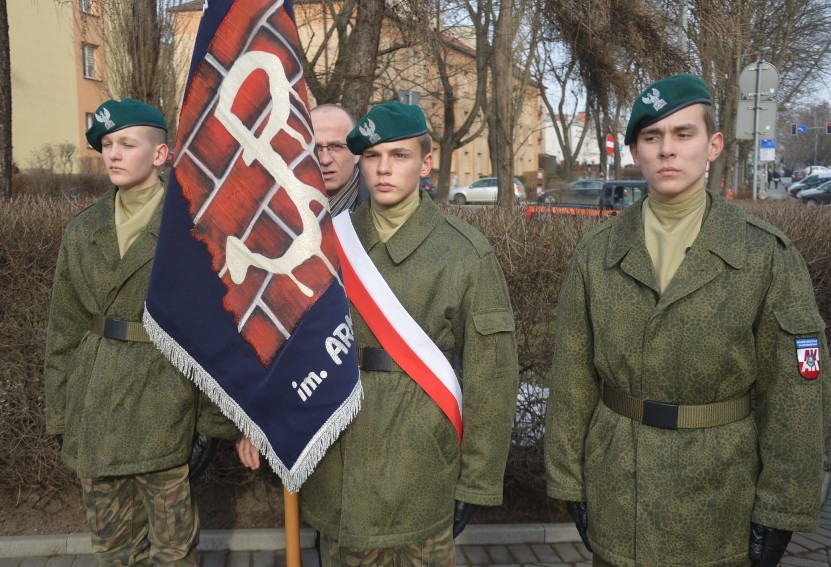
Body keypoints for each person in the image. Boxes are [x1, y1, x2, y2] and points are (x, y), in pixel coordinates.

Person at [544, 75, 831, 567]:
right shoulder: (597, 253)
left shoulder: (765, 255)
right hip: (620, 491)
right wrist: (570, 480)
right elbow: (572, 377)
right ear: (635, 151)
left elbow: (795, 397)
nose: (667, 151)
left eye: (683, 134)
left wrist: (782, 508)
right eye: (652, 138)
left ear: (713, 144)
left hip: (720, 499)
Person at [237, 101, 519, 565]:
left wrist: (478, 480)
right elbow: (286, 342)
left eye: (399, 156)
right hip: (340, 458)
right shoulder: (322, 244)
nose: (383, 169)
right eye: (371, 156)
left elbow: (493, 378)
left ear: (426, 163)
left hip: (422, 464)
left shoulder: (465, 254)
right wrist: (259, 418)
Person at [43, 98, 239, 565]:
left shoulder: (192, 228)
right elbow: (64, 330)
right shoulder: (83, 229)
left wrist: (210, 423)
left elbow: (215, 330)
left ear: (160, 154)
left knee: (173, 552)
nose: (112, 153)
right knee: (113, 551)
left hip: (163, 404)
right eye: (107, 144)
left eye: (127, 144)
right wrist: (60, 413)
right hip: (96, 408)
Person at [311, 103, 369, 215]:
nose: (325, 160)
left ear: (356, 152)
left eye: (335, 146)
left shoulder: (384, 206)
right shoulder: (279, 204)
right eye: (315, 148)